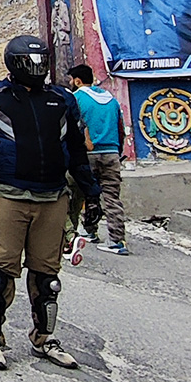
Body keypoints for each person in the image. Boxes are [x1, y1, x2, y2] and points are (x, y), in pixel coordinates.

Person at [0, 35, 100, 371]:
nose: (37, 69)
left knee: (47, 275)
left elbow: (77, 150)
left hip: (53, 196)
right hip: (7, 193)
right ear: (14, 63)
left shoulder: (62, 98)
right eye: (29, 63)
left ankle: (45, 337)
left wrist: (92, 192)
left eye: (41, 62)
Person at [68, 64, 129, 255]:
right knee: (112, 197)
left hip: (87, 154)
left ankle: (81, 234)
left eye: (71, 80)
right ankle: (117, 240)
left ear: (77, 81)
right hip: (111, 153)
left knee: (79, 194)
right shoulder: (110, 99)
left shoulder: (76, 98)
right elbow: (121, 128)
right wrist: (118, 151)